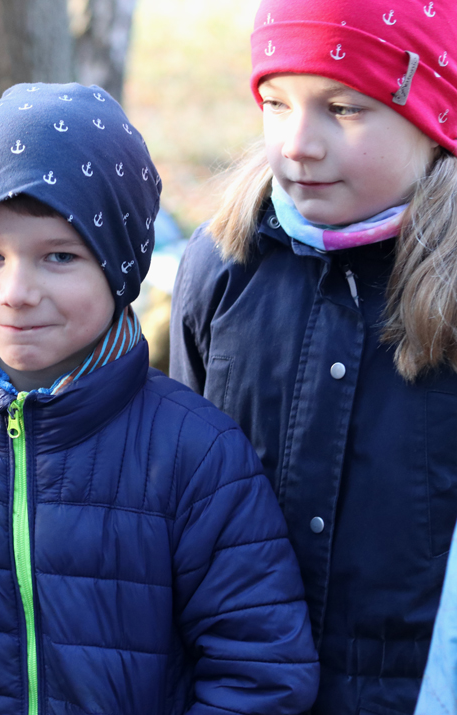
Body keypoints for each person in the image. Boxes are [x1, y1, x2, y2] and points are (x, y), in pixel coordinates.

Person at [0, 82, 319, 715]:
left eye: (58, 256)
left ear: (121, 267)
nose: (17, 291)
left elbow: (260, 669)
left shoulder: (197, 456)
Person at [169, 1, 457, 712]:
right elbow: (176, 492)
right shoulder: (222, 265)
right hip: (240, 688)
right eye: (275, 102)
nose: (298, 142)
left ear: (433, 117)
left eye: (343, 108)